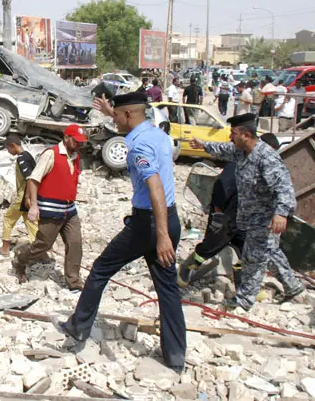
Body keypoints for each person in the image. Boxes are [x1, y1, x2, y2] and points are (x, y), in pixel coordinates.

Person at [55, 92, 185, 371]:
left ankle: (78, 328)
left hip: (149, 224)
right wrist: (109, 112)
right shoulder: (157, 134)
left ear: (129, 115)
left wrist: (160, 236)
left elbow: (155, 188)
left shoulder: (138, 148)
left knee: (101, 269)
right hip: (170, 219)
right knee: (168, 289)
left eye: (117, 115)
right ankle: (175, 357)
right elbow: (127, 122)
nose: (114, 119)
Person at [189, 114, 303, 311]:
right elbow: (224, 149)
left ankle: (244, 300)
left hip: (264, 218)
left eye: (234, 133)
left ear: (246, 135)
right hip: (250, 217)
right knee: (271, 253)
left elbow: (283, 187)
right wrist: (203, 145)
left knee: (253, 258)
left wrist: (282, 213)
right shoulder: (242, 152)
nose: (230, 137)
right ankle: (294, 288)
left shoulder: (266, 157)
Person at [12, 124, 87, 290]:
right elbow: (34, 179)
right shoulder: (51, 154)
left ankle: (73, 282)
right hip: (51, 210)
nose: (79, 144)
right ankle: (21, 260)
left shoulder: (76, 157)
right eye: (76, 141)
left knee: (75, 243)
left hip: (69, 210)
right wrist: (33, 205)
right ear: (66, 138)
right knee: (43, 245)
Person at [1, 134, 38, 255]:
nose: (8, 151)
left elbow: (29, 178)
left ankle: (5, 247)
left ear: (12, 146)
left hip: (23, 196)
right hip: (32, 195)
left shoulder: (21, 158)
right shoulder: (28, 155)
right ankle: (37, 247)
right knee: (30, 221)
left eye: (8, 149)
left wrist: (27, 197)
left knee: (8, 218)